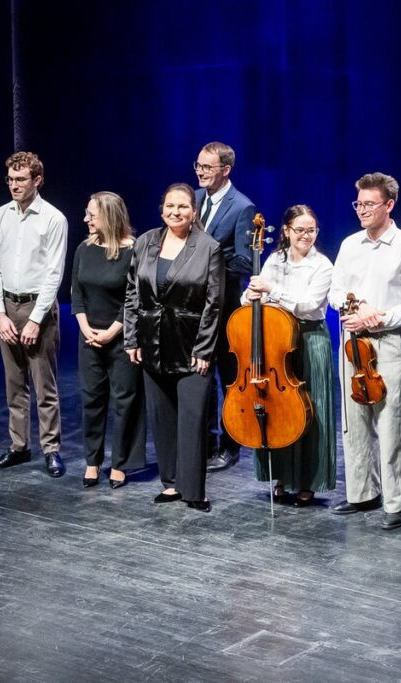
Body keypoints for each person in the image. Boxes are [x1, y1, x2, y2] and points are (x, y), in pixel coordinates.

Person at [328, 172, 401, 531]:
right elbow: (335, 290)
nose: (362, 210)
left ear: (389, 205)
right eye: (359, 204)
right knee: (354, 422)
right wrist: (351, 308)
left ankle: (397, 500)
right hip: (352, 342)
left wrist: (378, 316)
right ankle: (362, 493)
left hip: (387, 343)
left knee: (391, 423)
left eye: (370, 204)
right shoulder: (350, 245)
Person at [124, 183, 223, 512]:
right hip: (152, 342)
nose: (175, 212)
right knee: (162, 417)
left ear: (194, 211)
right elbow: (132, 294)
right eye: (170, 206)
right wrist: (131, 338)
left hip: (191, 344)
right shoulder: (145, 241)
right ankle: (170, 483)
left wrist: (205, 349)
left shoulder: (208, 247)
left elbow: (214, 304)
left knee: (192, 420)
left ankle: (194, 490)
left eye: (182, 207)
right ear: (161, 208)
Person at [242, 204, 336, 506]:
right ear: (286, 231)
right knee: (279, 410)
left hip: (310, 339)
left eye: (311, 230)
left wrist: (274, 290)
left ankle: (309, 480)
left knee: (313, 410)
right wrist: (251, 295)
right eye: (299, 230)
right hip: (276, 340)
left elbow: (309, 305)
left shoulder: (323, 265)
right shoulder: (274, 259)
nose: (305, 235)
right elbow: (251, 295)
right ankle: (281, 475)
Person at [0, 151, 68, 477]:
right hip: (8, 306)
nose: (14, 185)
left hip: (39, 308)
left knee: (44, 385)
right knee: (13, 384)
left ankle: (51, 449)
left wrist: (35, 319)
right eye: (11, 179)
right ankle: (18, 446)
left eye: (21, 179)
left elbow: (53, 273)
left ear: (37, 180)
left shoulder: (53, 218)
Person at [71, 191, 146, 489]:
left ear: (110, 217)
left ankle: (121, 463)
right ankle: (92, 461)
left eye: (92, 215)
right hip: (89, 335)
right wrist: (85, 328)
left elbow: (133, 299)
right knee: (91, 399)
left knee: (125, 401)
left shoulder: (133, 251)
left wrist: (114, 330)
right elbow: (76, 293)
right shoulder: (83, 249)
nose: (86, 219)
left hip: (122, 337)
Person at [193, 141, 255, 471]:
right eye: (198, 166)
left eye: (207, 167)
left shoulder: (242, 207)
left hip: (225, 307)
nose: (200, 172)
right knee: (199, 373)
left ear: (226, 170)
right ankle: (205, 440)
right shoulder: (194, 198)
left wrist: (207, 265)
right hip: (194, 306)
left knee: (227, 376)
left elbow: (245, 262)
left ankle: (230, 445)